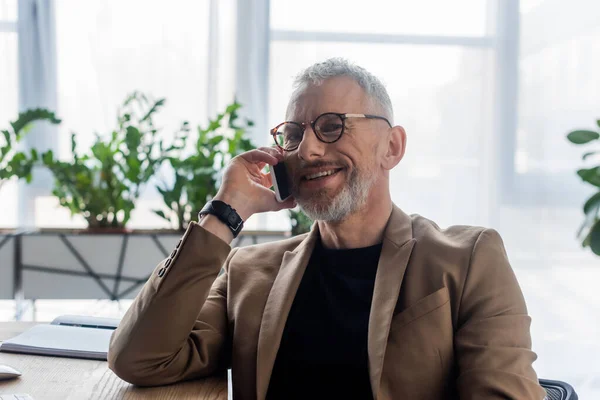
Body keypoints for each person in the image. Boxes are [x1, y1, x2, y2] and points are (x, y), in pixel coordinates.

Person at [108, 58, 545, 400]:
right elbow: (139, 359)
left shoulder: (468, 259)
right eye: (294, 134)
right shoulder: (248, 273)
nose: (309, 149)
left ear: (391, 147)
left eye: (332, 126)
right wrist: (225, 212)